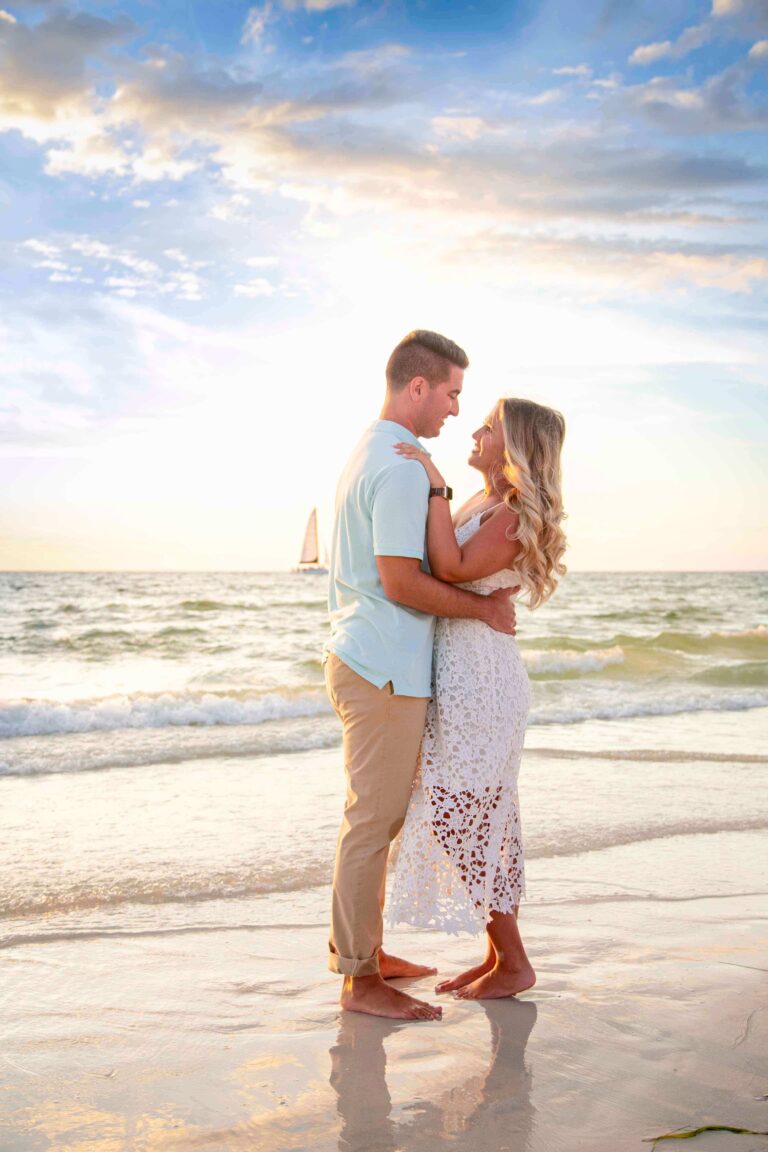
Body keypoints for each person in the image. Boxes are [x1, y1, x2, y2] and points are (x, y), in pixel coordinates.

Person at [324, 330, 518, 1021]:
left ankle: (367, 956)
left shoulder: (373, 450)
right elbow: (403, 581)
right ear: (418, 387)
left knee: (379, 818)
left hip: (373, 659)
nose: (455, 411)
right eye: (451, 393)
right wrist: (484, 610)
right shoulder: (403, 466)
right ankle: (359, 978)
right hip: (381, 666)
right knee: (372, 823)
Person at [388, 398, 566, 999]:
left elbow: (453, 566)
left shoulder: (513, 513)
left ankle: (514, 961)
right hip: (460, 673)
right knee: (481, 814)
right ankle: (498, 957)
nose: (475, 430)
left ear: (514, 444)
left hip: (481, 680)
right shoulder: (482, 502)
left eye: (488, 426)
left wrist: (434, 485)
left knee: (465, 812)